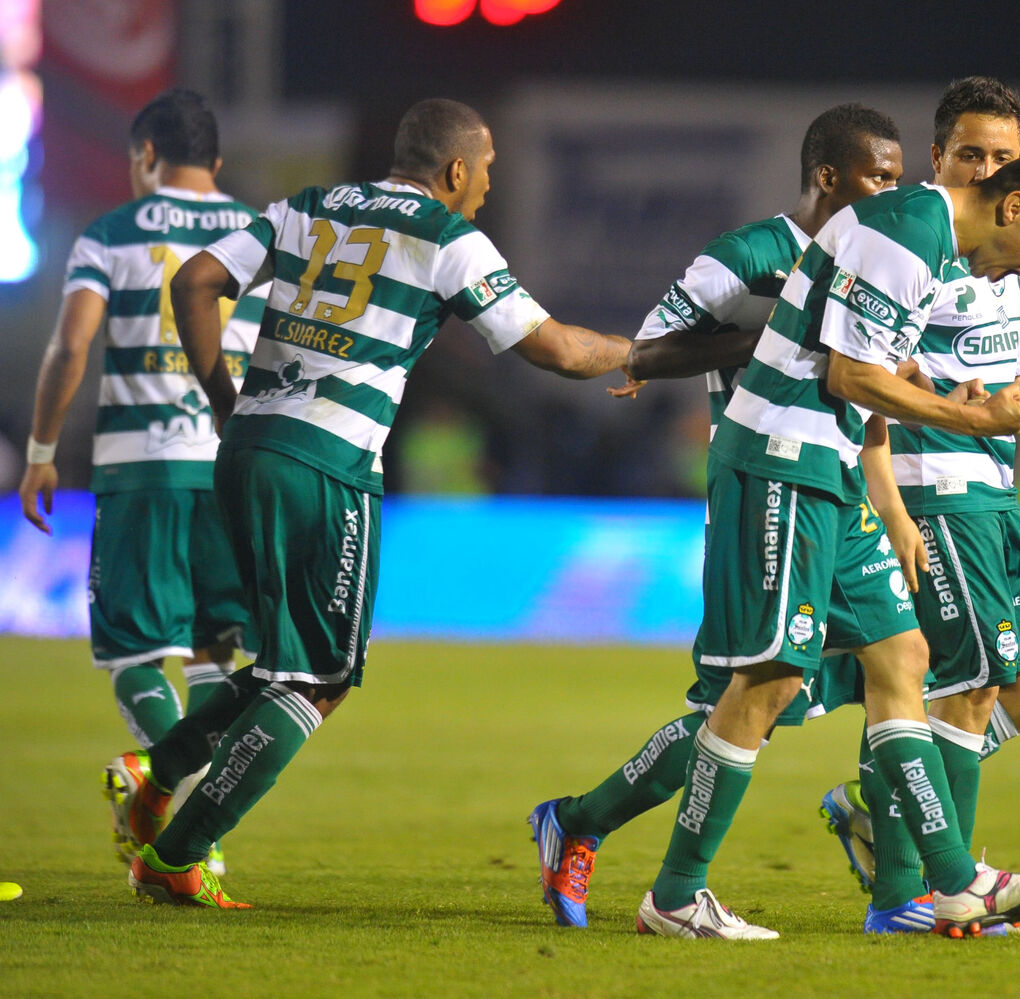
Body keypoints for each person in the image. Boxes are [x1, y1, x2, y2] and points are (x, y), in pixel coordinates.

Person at [104, 97, 634, 908]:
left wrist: (224, 401)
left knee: (284, 663)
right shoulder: (446, 237)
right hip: (328, 462)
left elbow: (197, 281)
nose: (489, 184)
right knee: (319, 679)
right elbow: (557, 349)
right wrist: (642, 352)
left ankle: (157, 770)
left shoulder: (306, 206)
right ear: (455, 169)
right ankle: (178, 853)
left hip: (247, 450)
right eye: (486, 168)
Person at [635, 140, 1020, 939]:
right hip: (784, 454)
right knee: (769, 681)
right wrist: (972, 419)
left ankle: (950, 883)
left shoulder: (925, 239)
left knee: (903, 657)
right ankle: (675, 893)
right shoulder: (909, 234)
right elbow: (848, 376)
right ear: (1014, 206)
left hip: (833, 466)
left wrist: (934, 393)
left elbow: (870, 367)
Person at [527, 103, 906, 931]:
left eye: (899, 179)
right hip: (766, 484)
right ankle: (585, 826)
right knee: (741, 703)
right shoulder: (750, 254)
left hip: (839, 490)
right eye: (879, 176)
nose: (892, 192)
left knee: (904, 654)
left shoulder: (878, 259)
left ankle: (911, 880)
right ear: (829, 176)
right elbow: (648, 350)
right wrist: (778, 337)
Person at [819, 78, 1020, 934]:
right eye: (971, 153)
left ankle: (892, 807)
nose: (987, 168)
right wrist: (891, 503)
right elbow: (868, 379)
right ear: (939, 155)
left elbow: (1019, 370)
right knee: (968, 684)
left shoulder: (1004, 259)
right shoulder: (923, 247)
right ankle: (937, 883)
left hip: (994, 491)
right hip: (933, 491)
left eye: (1002, 155)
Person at [18, 89, 263, 877]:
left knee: (135, 647)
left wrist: (41, 449)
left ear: (146, 155)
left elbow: (70, 345)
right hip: (230, 464)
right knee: (216, 647)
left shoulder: (112, 233)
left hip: (141, 465)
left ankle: (159, 788)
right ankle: (191, 835)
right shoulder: (259, 233)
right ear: (216, 161)